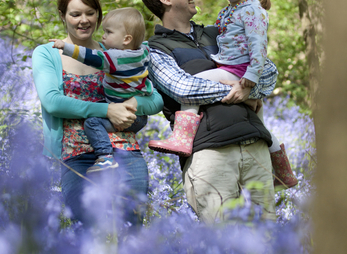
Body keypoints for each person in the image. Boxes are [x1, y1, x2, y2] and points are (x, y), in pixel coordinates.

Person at [32, 0, 163, 227]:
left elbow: (156, 100)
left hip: (124, 150)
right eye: (75, 14)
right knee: (87, 227)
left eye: (90, 13)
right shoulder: (48, 52)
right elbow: (52, 102)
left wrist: (133, 103)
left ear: (98, 16)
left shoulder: (115, 52)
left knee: (131, 227)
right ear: (63, 16)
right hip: (77, 156)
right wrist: (108, 109)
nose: (84, 20)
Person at [142, 0, 276, 223]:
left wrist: (249, 89)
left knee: (268, 240)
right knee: (222, 242)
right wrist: (241, 90)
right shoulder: (154, 49)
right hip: (210, 153)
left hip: (255, 146)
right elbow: (183, 89)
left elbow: (268, 73)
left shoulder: (220, 32)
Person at [49, 7, 154, 174]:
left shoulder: (114, 58)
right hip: (139, 117)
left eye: (109, 32)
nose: (103, 36)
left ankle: (105, 157)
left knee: (92, 122)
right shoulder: (143, 51)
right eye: (76, 13)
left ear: (126, 39)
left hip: (126, 118)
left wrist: (66, 47)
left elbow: (89, 56)